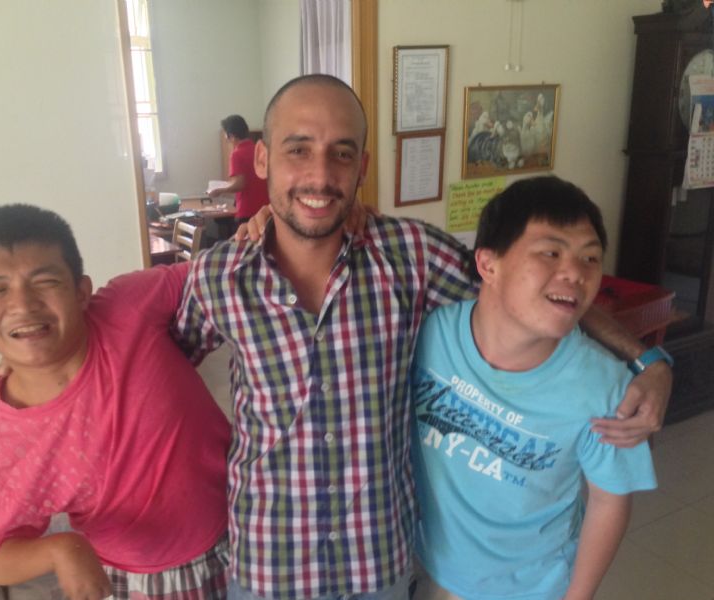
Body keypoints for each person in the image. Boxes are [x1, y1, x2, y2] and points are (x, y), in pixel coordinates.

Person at [175, 74, 672, 599]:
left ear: (362, 167)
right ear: (262, 160)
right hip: (268, 562)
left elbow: (529, 289)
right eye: (298, 149)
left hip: (378, 564)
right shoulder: (218, 276)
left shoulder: (411, 257)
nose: (320, 175)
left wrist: (649, 360)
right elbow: (167, 367)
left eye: (342, 153)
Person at [0, 205, 231, 600]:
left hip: (253, 520)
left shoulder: (126, 307)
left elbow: (219, 270)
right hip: (153, 580)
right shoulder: (7, 441)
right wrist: (62, 549)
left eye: (45, 281)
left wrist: (260, 227)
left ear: (81, 292)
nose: (23, 305)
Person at [410, 176, 657, 600]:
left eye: (590, 258)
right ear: (488, 265)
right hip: (426, 565)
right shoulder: (431, 335)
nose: (576, 273)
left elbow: (609, 501)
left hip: (532, 586)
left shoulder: (606, 388)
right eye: (551, 252)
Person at [209, 114, 270, 224]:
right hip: (265, 209)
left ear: (231, 136)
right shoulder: (259, 150)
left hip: (248, 210)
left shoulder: (237, 154)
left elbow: (240, 184)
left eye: (226, 135)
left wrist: (219, 191)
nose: (226, 138)